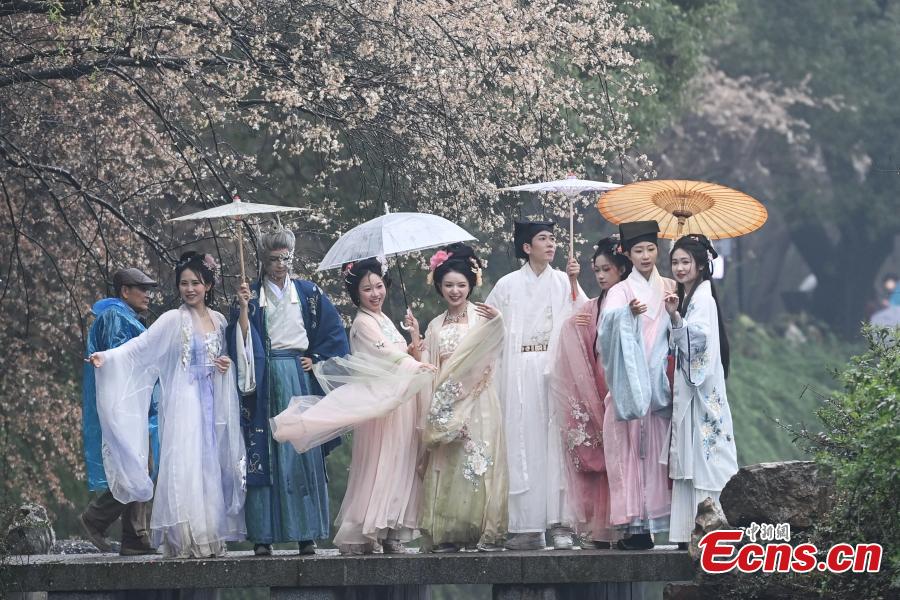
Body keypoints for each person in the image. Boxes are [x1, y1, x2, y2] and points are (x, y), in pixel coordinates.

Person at [272, 258, 435, 555]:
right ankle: (375, 528)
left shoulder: (384, 319)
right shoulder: (363, 323)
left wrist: (413, 337)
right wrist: (414, 364)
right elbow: (387, 357)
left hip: (399, 401)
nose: (375, 293)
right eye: (367, 289)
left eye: (378, 286)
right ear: (356, 293)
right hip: (383, 407)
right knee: (383, 464)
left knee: (401, 463)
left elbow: (401, 354)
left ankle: (391, 531)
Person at [88, 252, 246, 558]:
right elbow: (140, 347)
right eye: (184, 283)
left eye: (195, 283)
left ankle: (209, 535)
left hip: (213, 398)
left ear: (208, 286)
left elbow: (228, 353)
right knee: (186, 464)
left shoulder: (219, 320)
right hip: (185, 400)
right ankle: (186, 537)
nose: (189, 289)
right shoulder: (174, 319)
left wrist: (225, 362)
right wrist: (107, 357)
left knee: (211, 465)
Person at [227, 228, 349, 556]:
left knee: (301, 451)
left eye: (286, 258)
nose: (281, 265)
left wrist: (316, 358)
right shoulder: (251, 295)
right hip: (264, 378)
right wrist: (243, 309)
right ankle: (262, 535)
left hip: (297, 374)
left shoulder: (308, 293)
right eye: (274, 259)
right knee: (263, 452)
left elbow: (334, 332)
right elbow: (238, 341)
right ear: (263, 261)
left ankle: (305, 533)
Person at [485, 221, 587, 550]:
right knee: (523, 443)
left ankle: (560, 524)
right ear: (527, 247)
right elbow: (489, 329)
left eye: (553, 238)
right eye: (543, 239)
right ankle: (526, 527)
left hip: (555, 369)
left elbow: (584, 317)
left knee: (557, 444)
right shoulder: (507, 285)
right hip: (518, 371)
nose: (551, 244)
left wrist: (575, 282)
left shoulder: (564, 281)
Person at [418, 244, 508, 553]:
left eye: (460, 284)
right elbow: (431, 366)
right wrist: (416, 345)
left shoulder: (482, 317)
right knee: (450, 462)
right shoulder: (435, 325)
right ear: (439, 286)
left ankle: (485, 531)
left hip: (479, 398)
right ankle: (449, 533)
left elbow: (494, 351)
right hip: (447, 400)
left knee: (479, 459)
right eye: (448, 285)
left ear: (471, 285)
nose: (455, 291)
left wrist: (499, 322)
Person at [549, 236, 632, 548]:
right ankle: (599, 529)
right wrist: (575, 325)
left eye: (606, 269)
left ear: (621, 269)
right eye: (596, 270)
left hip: (623, 387)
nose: (600, 275)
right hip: (597, 386)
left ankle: (628, 526)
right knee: (597, 455)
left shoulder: (631, 300)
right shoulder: (592, 307)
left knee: (625, 457)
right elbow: (573, 332)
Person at [598, 220, 674, 550]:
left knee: (659, 454)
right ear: (627, 254)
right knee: (630, 455)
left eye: (651, 249)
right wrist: (626, 314)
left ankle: (667, 524)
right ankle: (637, 528)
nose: (645, 256)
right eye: (638, 250)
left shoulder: (669, 285)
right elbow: (605, 332)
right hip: (631, 381)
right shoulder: (620, 291)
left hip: (659, 381)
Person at [80, 268, 161, 555]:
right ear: (125, 291)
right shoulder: (116, 317)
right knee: (135, 468)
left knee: (142, 466)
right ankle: (96, 519)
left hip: (135, 406)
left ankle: (135, 537)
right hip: (126, 407)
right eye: (142, 289)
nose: (148, 295)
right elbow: (121, 361)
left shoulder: (126, 317)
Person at [665, 234, 738, 547]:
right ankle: (690, 529)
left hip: (702, 389)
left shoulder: (703, 298)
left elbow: (699, 341)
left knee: (706, 454)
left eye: (686, 261)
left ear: (700, 265)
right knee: (697, 455)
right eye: (675, 262)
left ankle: (710, 526)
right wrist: (677, 313)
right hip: (695, 389)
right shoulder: (691, 297)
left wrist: (675, 318)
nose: (680, 268)